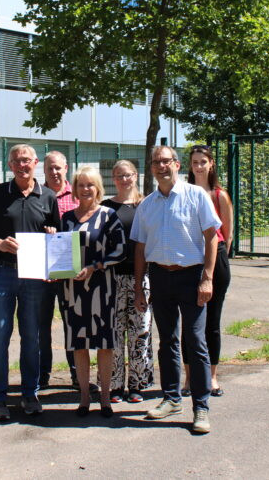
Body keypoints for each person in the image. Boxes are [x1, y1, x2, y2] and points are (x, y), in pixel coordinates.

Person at [133, 145, 220, 434]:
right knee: (167, 341)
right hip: (160, 277)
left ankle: (201, 407)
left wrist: (207, 278)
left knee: (195, 342)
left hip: (191, 277)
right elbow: (141, 248)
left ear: (177, 165)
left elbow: (212, 238)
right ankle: (171, 399)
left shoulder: (197, 196)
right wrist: (138, 287)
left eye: (166, 161)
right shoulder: (147, 205)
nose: (161, 166)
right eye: (156, 162)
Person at [0, 144, 61, 421]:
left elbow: (57, 237)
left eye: (26, 160)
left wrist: (52, 232)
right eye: (16, 161)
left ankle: (29, 393)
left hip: (35, 275)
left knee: (32, 336)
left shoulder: (48, 196)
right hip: (2, 271)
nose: (21, 165)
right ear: (10, 165)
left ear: (35, 162)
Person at [61, 166, 126, 417]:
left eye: (90, 185)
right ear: (75, 188)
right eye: (81, 185)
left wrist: (95, 266)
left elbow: (120, 250)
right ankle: (85, 398)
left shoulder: (108, 215)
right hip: (73, 290)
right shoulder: (67, 218)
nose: (85, 189)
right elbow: (60, 251)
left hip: (103, 289)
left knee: (104, 344)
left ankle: (106, 398)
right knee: (79, 344)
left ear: (98, 187)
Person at [182, 145, 233, 397]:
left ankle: (212, 377)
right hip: (190, 261)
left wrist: (215, 264)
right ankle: (189, 378)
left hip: (216, 261)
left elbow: (228, 234)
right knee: (189, 325)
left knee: (211, 322)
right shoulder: (185, 193)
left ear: (211, 163)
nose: (199, 166)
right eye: (195, 162)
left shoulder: (219, 195)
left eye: (203, 161)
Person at [104, 160, 153, 404]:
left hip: (140, 277)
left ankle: (137, 384)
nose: (124, 180)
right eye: (119, 175)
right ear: (113, 178)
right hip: (111, 278)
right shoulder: (105, 207)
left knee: (139, 331)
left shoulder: (146, 205)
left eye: (128, 175)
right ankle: (114, 385)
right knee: (113, 333)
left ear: (136, 176)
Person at [38, 150, 79, 389]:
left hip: (69, 273)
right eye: (49, 168)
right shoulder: (36, 195)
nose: (54, 172)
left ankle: (77, 374)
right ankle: (43, 375)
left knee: (72, 324)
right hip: (42, 274)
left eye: (58, 168)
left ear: (66, 169)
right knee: (41, 327)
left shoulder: (77, 195)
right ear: (43, 170)